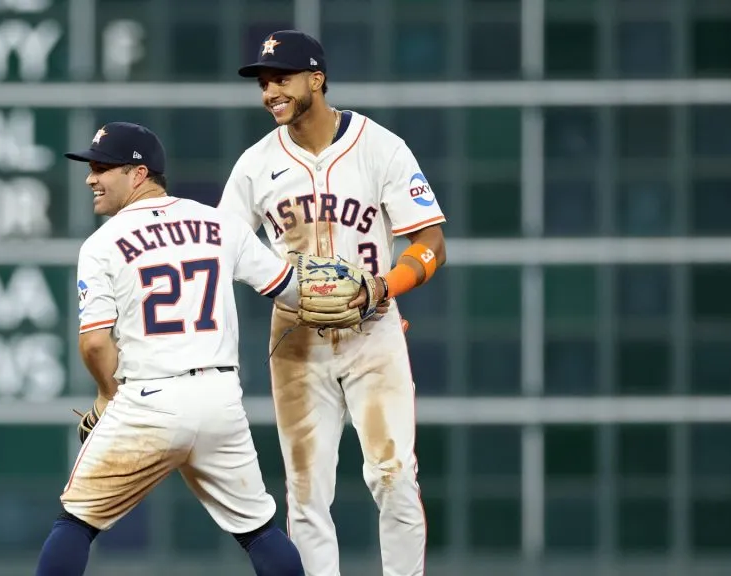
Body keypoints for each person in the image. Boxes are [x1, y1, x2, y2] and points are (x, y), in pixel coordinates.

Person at [218, 30, 448, 576]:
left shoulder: (378, 146)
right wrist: (274, 281)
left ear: (316, 80)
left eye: (281, 78)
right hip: (295, 338)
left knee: (393, 475)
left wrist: (384, 286)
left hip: (373, 329)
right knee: (305, 491)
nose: (269, 90)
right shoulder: (254, 165)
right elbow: (220, 249)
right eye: (264, 82)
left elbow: (431, 241)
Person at [35, 121, 306, 576]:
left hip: (149, 401)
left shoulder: (102, 244)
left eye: (102, 167)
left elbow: (95, 342)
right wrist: (366, 297)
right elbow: (290, 289)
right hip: (220, 400)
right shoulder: (221, 224)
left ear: (138, 174)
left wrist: (105, 395)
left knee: (76, 523)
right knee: (260, 531)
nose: (90, 178)